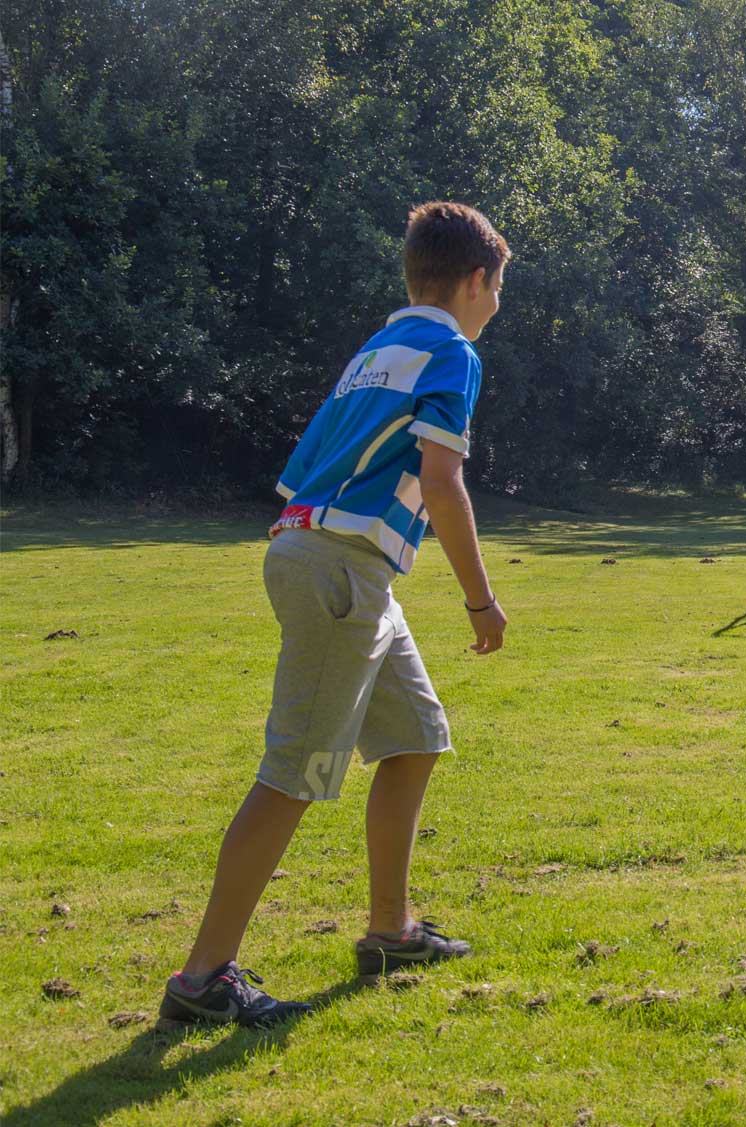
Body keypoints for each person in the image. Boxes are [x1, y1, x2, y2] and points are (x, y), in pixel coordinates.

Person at [159, 202, 511, 1029]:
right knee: (294, 773)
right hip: (341, 571)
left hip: (328, 558)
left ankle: (391, 931)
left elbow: (305, 474)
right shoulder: (452, 353)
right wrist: (480, 598)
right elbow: (443, 482)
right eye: (498, 288)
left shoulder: (374, 353)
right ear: (474, 281)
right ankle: (202, 978)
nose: (497, 305)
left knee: (415, 738)